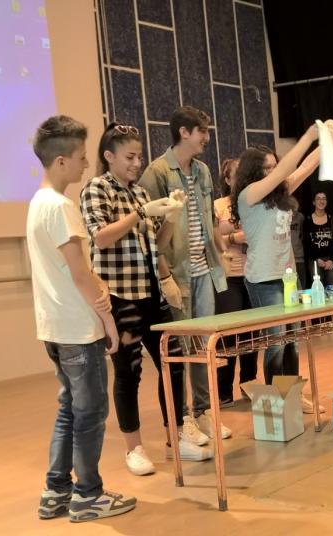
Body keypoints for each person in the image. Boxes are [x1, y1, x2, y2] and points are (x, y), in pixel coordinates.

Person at [81, 123, 213, 476]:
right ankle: (134, 447)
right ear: (109, 156)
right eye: (130, 156)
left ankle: (176, 436)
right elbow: (101, 237)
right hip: (119, 295)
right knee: (128, 372)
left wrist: (172, 216)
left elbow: (158, 243)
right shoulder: (97, 189)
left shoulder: (140, 192)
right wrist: (140, 214)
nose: (137, 163)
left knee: (173, 361)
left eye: (139, 156)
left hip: (151, 290)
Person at [27, 115, 135, 522]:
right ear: (60, 162)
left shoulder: (38, 203)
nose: (86, 164)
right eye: (81, 157)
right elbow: (80, 274)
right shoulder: (61, 207)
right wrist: (108, 319)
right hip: (76, 328)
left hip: (54, 327)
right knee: (90, 414)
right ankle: (88, 494)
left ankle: (56, 490)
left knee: (70, 409)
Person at [138, 106, 230, 440]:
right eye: (202, 131)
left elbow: (208, 218)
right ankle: (183, 418)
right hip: (176, 273)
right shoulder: (157, 172)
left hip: (204, 269)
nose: (207, 137)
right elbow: (150, 232)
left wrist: (220, 252)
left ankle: (204, 411)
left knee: (204, 344)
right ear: (184, 132)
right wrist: (165, 277)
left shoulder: (202, 171)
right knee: (180, 349)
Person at [230, 128, 321, 412]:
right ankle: (275, 404)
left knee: (293, 341)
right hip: (264, 280)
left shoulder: (278, 194)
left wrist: (330, 139)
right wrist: (307, 137)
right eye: (267, 168)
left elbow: (306, 167)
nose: (273, 172)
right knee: (276, 342)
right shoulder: (248, 196)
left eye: (274, 166)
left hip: (287, 277)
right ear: (253, 172)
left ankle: (292, 396)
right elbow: (287, 169)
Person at [213, 158, 258, 406]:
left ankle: (248, 385)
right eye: (236, 175)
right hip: (229, 275)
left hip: (253, 274)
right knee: (228, 335)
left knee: (252, 335)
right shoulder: (218, 205)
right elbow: (212, 237)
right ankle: (223, 391)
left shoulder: (253, 202)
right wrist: (234, 238)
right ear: (227, 179)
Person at [304, 191, 333, 286]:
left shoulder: (331, 219)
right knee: (318, 288)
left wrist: (331, 260)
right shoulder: (308, 220)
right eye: (318, 199)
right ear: (314, 202)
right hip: (314, 260)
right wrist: (316, 259)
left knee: (332, 288)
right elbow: (306, 243)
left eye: (324, 199)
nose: (321, 201)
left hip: (329, 260)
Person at [290, 205, 307, 289]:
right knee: (290, 283)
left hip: (299, 255)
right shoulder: (281, 217)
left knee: (302, 283)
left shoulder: (300, 217)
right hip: (287, 257)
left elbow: (304, 234)